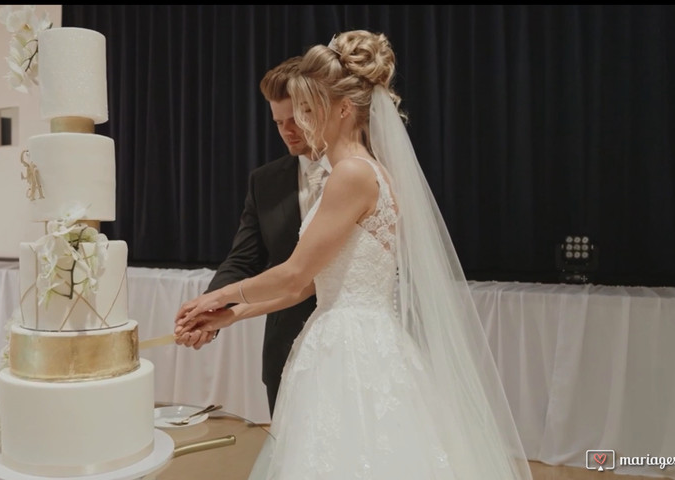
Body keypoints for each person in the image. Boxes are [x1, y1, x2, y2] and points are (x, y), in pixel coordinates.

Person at [176, 30, 532, 479]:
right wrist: (233, 314)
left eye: (309, 109)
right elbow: (307, 286)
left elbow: (293, 274)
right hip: (347, 333)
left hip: (350, 349)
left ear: (344, 109)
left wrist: (216, 296)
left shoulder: (351, 175)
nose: (301, 122)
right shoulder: (368, 170)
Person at [175, 56, 330, 417]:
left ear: (320, 110)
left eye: (296, 120)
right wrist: (210, 310)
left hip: (353, 340)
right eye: (278, 122)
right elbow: (244, 259)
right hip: (284, 341)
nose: (287, 131)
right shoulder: (265, 181)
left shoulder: (361, 171)